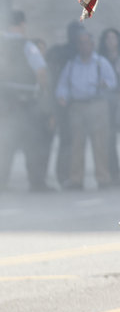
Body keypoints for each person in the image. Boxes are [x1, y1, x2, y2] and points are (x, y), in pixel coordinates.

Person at [0, 10, 50, 193]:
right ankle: (37, 184)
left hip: (0, 106)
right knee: (33, 146)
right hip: (24, 105)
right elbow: (41, 72)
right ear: (22, 25)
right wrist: (42, 93)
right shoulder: (28, 47)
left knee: (0, 146)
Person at [55, 29, 117, 190]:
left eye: (87, 43)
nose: (84, 47)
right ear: (78, 46)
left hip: (97, 105)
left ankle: (103, 177)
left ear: (92, 45)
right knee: (76, 144)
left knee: (100, 144)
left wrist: (105, 85)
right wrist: (62, 96)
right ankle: (76, 179)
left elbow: (112, 81)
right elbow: (63, 85)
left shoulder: (100, 63)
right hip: (77, 107)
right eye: (81, 44)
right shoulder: (71, 65)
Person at [45, 21, 84, 187]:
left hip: (67, 102)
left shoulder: (74, 52)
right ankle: (62, 175)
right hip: (59, 101)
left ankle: (65, 175)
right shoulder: (68, 53)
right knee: (65, 141)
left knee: (68, 141)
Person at [97, 27, 120, 184]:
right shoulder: (99, 60)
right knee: (109, 138)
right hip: (107, 102)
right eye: (108, 39)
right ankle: (114, 172)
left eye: (113, 38)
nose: (111, 42)